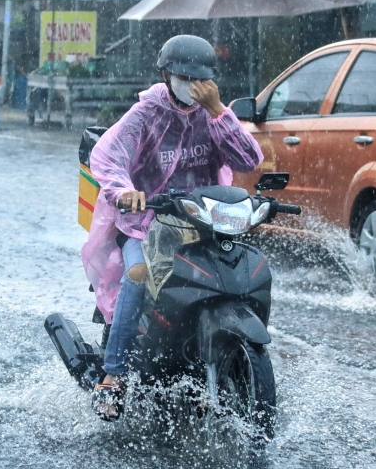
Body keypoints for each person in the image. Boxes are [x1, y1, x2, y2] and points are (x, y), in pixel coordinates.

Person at [82, 35, 264, 421]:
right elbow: (108, 157)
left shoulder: (212, 115)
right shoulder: (146, 114)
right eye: (184, 77)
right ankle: (112, 376)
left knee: (225, 278)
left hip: (202, 223)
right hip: (146, 223)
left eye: (202, 79)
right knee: (138, 275)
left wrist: (217, 111)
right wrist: (125, 191)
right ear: (166, 75)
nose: (192, 86)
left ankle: (211, 359)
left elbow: (249, 160)